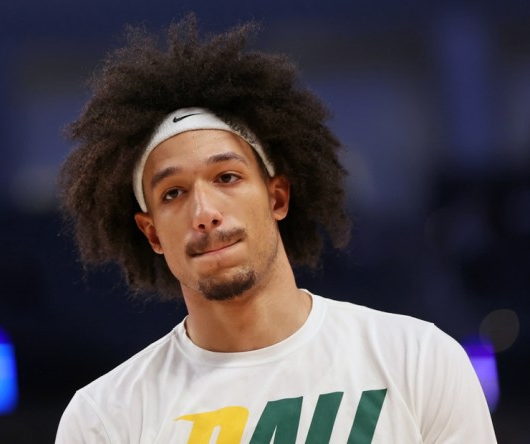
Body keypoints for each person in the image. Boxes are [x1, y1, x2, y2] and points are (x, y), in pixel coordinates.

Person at [55, 15, 496, 444]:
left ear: (277, 197)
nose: (204, 212)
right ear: (151, 234)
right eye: (173, 193)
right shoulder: (104, 420)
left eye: (226, 177)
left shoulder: (418, 361)